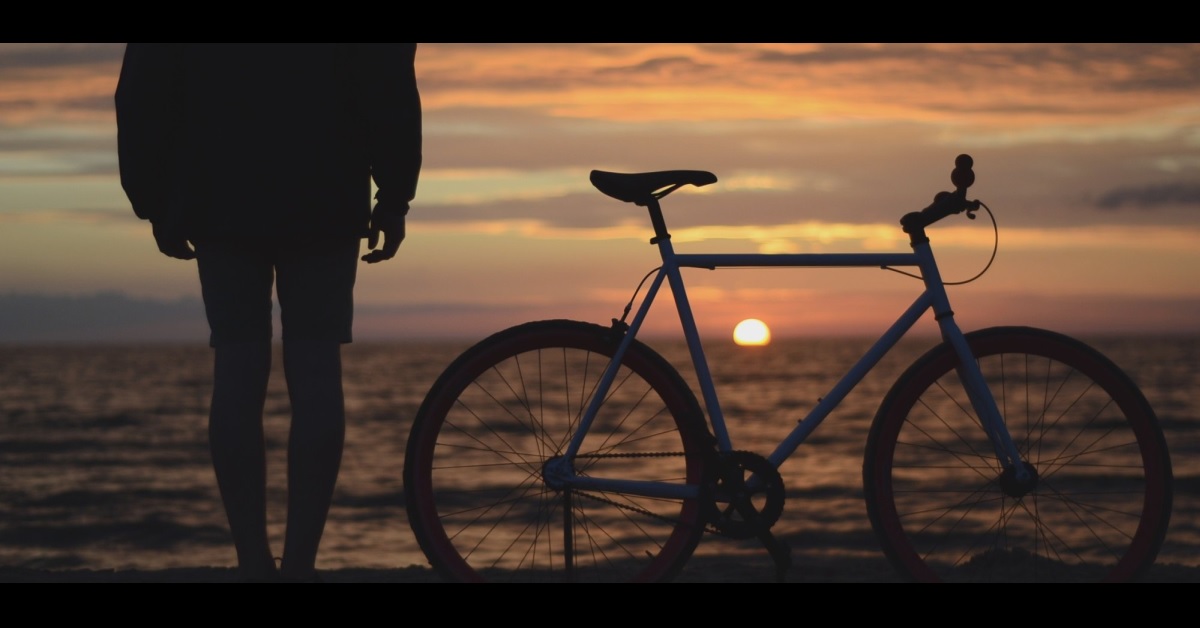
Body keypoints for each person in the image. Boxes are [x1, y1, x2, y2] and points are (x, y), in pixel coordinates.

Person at [115, 43, 421, 582]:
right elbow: (387, 74)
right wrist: (394, 193)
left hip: (218, 189)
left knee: (236, 370)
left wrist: (154, 199)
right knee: (316, 371)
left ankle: (254, 563)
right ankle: (299, 565)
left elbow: (142, 87)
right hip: (324, 186)